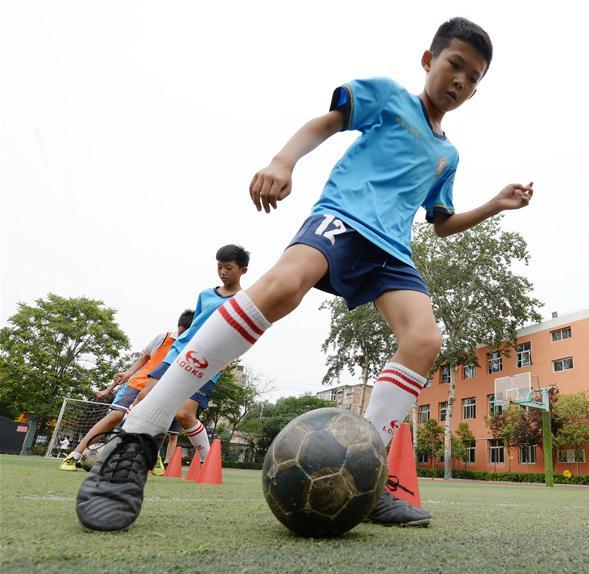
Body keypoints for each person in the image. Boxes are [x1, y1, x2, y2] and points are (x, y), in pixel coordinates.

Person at [76, 17, 531, 532]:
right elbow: (325, 123)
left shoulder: (448, 155)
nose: (461, 82)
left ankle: (369, 472)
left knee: (424, 339)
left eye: (474, 79)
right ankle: (137, 434)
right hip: (342, 218)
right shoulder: (387, 96)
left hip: (392, 251)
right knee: (283, 287)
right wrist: (282, 161)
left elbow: (442, 223)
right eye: (455, 65)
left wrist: (495, 204)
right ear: (428, 60)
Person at [129, 244, 250, 465]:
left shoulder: (244, 300)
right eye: (219, 267)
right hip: (180, 351)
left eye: (228, 268)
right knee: (144, 397)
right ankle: (122, 448)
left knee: (184, 414)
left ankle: (208, 463)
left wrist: (228, 359)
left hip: (209, 359)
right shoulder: (205, 295)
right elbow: (195, 326)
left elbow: (240, 334)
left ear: (243, 270)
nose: (222, 272)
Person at [59, 309, 194, 472]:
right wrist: (129, 373)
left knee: (156, 425)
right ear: (179, 326)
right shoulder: (163, 338)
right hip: (140, 384)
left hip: (164, 392)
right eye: (182, 330)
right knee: (116, 415)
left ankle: (152, 458)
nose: (183, 334)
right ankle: (74, 455)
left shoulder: (192, 346)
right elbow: (145, 356)